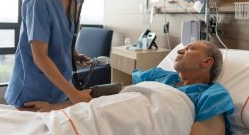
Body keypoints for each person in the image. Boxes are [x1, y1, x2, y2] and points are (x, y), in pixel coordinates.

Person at [21, 40, 234, 135]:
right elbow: (113, 94)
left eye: (190, 49)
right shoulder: (159, 75)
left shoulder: (211, 94)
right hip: (96, 114)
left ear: (207, 63)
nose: (180, 51)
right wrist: (53, 107)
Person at [5, 0, 110, 108]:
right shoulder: (39, 0)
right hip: (32, 91)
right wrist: (74, 94)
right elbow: (40, 57)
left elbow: (60, 38)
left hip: (57, 91)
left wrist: (74, 54)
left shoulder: (73, 2)